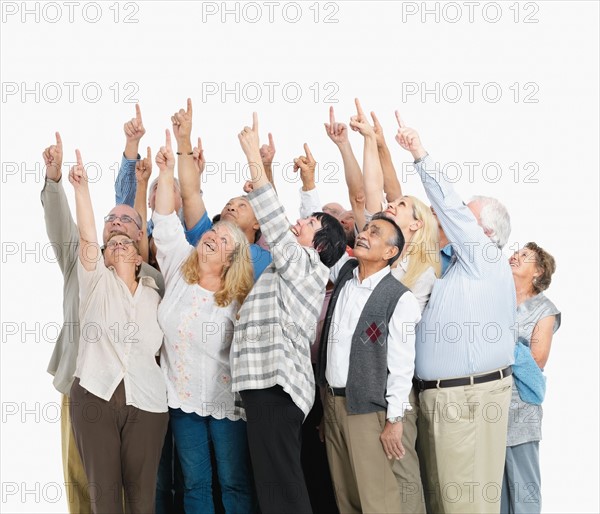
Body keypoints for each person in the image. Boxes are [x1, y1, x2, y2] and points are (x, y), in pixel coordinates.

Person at [396, 120, 515, 514]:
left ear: (481, 231)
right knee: (442, 504)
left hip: (466, 400)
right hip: (441, 399)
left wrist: (419, 154)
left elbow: (446, 205)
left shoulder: (485, 258)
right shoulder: (453, 271)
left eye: (465, 216)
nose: (453, 219)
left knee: (465, 506)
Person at [40, 133, 164, 513]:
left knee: (132, 490)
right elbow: (67, 225)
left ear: (139, 237)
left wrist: (143, 181)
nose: (116, 223)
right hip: (83, 383)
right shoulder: (84, 263)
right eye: (111, 219)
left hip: (138, 397)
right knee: (83, 484)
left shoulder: (154, 281)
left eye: (126, 219)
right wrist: (56, 179)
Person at [231, 113, 347, 514]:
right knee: (273, 484)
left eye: (310, 222)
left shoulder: (308, 266)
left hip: (277, 387)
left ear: (321, 245)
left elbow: (278, 228)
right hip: (265, 386)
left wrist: (254, 161)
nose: (300, 222)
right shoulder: (294, 266)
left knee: (281, 484)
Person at [151, 130, 257, 514]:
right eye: (214, 232)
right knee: (195, 486)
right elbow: (164, 221)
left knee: (234, 484)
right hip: (181, 401)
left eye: (227, 240)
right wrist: (166, 173)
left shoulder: (241, 298)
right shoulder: (181, 267)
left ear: (232, 259)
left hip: (228, 404)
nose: (215, 237)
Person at [317, 214, 421, 513]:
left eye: (375, 233)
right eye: (365, 229)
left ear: (390, 252)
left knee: (377, 499)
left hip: (368, 410)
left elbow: (402, 367)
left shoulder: (399, 298)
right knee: (345, 496)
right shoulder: (347, 275)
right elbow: (322, 239)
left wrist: (394, 420)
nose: (363, 234)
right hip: (333, 404)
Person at [501, 243, 560, 514]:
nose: (515, 256)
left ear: (538, 272)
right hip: (487, 401)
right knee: (495, 491)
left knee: (523, 491)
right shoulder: (496, 298)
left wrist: (498, 345)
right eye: (516, 253)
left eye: (524, 256)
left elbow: (537, 359)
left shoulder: (544, 310)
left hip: (519, 409)